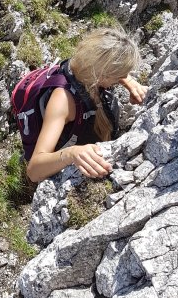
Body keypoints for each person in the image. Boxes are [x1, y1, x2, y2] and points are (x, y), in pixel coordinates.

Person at [25, 26, 148, 183]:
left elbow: (110, 70)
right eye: (119, 75)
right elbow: (34, 171)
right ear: (102, 74)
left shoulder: (88, 70)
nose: (124, 77)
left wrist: (130, 83)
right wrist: (72, 154)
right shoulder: (62, 101)